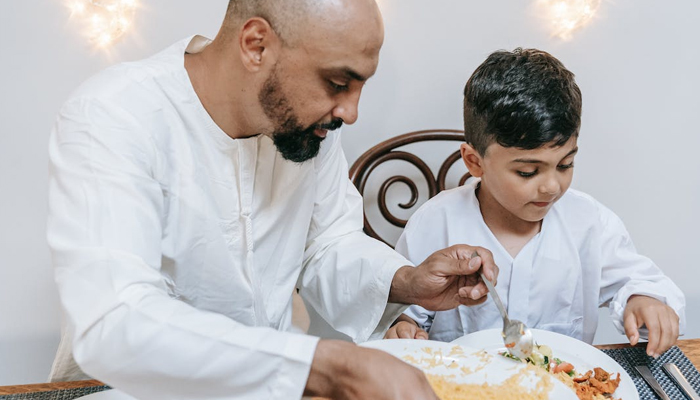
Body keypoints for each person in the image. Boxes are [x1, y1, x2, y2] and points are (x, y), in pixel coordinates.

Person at [47, 0, 500, 399]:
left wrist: (407, 280)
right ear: (256, 44)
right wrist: (328, 367)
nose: (351, 112)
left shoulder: (308, 128)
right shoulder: (113, 117)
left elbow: (329, 243)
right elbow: (116, 321)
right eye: (338, 82)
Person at [384, 48, 685, 359]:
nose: (552, 186)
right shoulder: (434, 223)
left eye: (565, 164)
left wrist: (644, 299)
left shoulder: (591, 224)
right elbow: (404, 309)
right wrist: (402, 325)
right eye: (527, 171)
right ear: (474, 162)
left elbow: (639, 281)